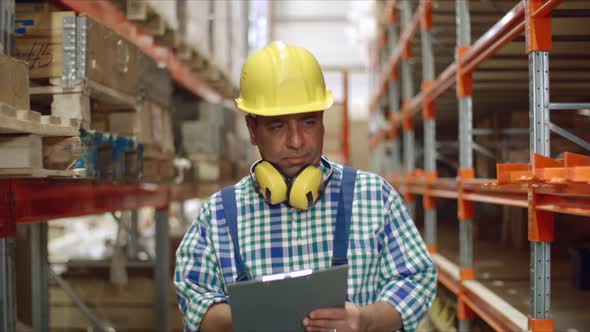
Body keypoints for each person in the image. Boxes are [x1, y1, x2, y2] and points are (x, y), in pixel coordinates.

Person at [174, 41, 437, 332]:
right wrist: (257, 317)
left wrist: (366, 319)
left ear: (323, 121)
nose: (297, 141)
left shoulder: (375, 197)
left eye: (308, 122)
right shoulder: (219, 216)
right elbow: (194, 301)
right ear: (252, 129)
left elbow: (417, 279)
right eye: (277, 126)